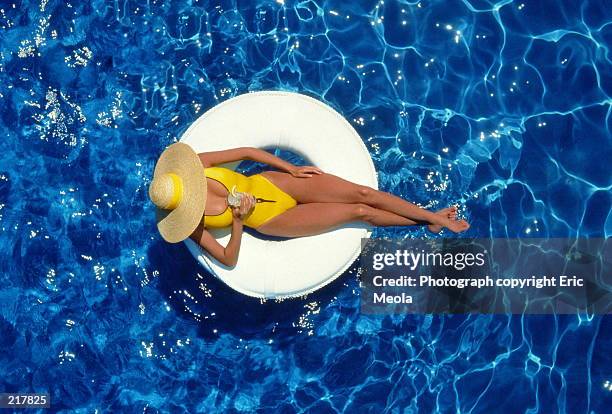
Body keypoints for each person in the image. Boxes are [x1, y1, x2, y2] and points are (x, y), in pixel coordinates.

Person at [149, 143, 469, 266]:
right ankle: (429, 222)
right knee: (359, 212)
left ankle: (431, 215)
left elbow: (246, 152)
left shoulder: (198, 164)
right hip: (273, 218)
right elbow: (228, 259)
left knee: (363, 194)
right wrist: (237, 219)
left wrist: (289, 168)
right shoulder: (192, 226)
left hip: (272, 182)